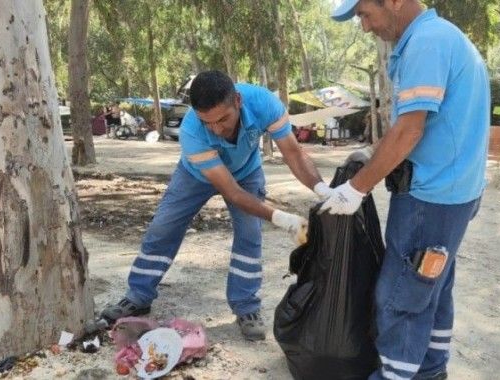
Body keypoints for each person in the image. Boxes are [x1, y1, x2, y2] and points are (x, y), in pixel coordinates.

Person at [100, 70, 336, 340]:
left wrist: (322, 190)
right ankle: (138, 296)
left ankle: (246, 306)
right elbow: (232, 194)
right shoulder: (191, 131)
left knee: (249, 235)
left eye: (223, 119)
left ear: (238, 100)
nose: (217, 129)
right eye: (208, 122)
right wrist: (282, 218)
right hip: (195, 175)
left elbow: (293, 153)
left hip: (246, 172)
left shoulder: (264, 103)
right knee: (162, 228)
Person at [328, 1, 489, 379]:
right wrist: (374, 155)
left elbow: (409, 131)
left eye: (365, 14)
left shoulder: (427, 43)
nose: (365, 27)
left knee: (401, 296)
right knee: (432, 287)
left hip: (431, 197)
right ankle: (431, 371)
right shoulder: (440, 37)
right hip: (455, 193)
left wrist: (355, 189)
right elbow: (424, 125)